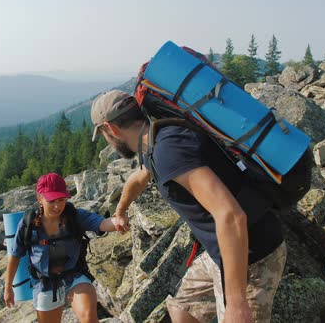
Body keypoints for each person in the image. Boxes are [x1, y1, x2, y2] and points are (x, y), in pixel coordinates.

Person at [91, 90, 287, 323]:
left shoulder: (168, 152)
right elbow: (139, 178)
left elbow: (230, 215)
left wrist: (236, 302)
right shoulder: (155, 140)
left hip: (251, 256)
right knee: (182, 309)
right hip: (221, 254)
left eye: (103, 134)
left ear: (110, 129)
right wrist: (120, 211)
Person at [4, 172, 120, 323]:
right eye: (51, 201)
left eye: (61, 200)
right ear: (40, 198)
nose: (57, 206)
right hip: (45, 284)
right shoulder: (29, 225)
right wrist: (8, 288)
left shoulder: (74, 216)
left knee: (89, 317)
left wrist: (118, 222)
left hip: (74, 277)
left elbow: (102, 224)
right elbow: (15, 255)